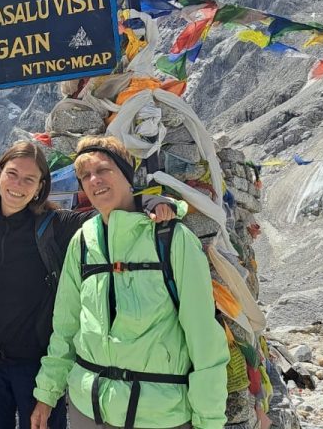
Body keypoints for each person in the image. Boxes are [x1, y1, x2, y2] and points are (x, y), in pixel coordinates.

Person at [0, 140, 176, 429]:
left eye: (29, 179)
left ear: (40, 186)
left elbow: (110, 211)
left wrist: (151, 202)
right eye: (12, 174)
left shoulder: (54, 226)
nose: (18, 184)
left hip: (36, 371)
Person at [30, 135, 229, 429]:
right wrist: (46, 394)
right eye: (85, 175)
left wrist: (209, 421)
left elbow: (203, 335)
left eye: (103, 170)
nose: (94, 180)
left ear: (127, 172)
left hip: (159, 414)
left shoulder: (172, 239)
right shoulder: (83, 242)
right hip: (90, 409)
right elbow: (67, 326)